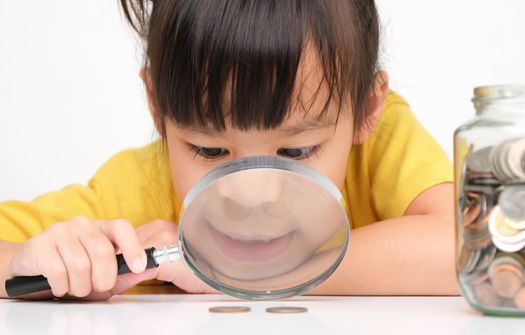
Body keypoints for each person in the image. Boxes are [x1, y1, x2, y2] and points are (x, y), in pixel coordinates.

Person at [0, 0, 458, 300]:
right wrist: (46, 265)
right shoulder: (137, 192)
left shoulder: (380, 143)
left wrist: (248, 277)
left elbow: (474, 247)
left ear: (366, 110)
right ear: (157, 104)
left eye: (296, 152)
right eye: (209, 149)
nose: (253, 195)